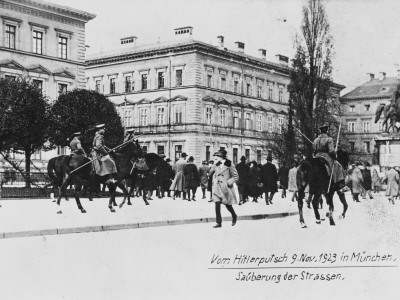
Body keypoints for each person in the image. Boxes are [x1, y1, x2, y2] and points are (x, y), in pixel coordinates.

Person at [313, 123, 347, 192]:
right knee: (338, 165)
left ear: (320, 131)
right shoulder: (329, 139)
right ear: (326, 131)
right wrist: (335, 156)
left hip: (316, 156)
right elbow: (331, 151)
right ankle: (340, 185)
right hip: (326, 156)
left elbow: (314, 150)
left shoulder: (315, 140)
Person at [211, 149, 238, 228]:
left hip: (226, 188)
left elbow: (236, 177)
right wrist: (214, 179)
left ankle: (234, 215)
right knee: (217, 203)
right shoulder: (216, 164)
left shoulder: (230, 164)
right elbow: (212, 173)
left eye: (218, 156)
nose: (216, 157)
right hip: (217, 187)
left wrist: (228, 183)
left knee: (227, 205)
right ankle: (218, 222)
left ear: (222, 157)